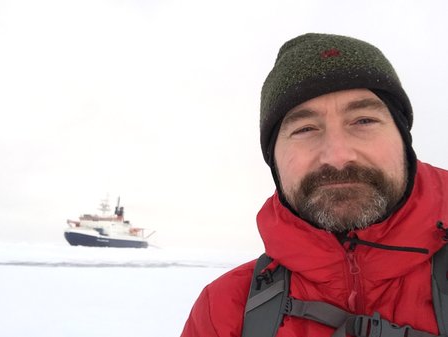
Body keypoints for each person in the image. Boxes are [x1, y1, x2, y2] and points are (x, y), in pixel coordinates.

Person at [180, 33, 448, 337]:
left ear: (403, 139)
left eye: (363, 121)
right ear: (274, 160)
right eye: (305, 128)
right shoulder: (224, 310)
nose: (338, 156)